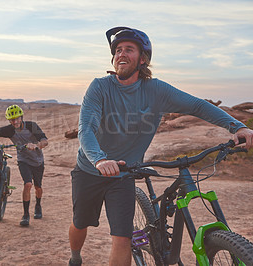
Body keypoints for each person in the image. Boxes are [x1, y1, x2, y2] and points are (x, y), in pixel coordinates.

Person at [68, 26, 253, 266]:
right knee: (80, 223)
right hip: (90, 169)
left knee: (123, 239)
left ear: (142, 59)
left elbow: (196, 105)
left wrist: (237, 126)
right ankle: (75, 257)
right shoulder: (100, 87)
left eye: (129, 50)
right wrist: (100, 159)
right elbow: (87, 128)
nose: (121, 54)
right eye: (118, 50)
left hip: (124, 173)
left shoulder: (156, 90)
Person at [0, 104, 48, 226]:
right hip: (24, 160)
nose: (15, 121)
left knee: (38, 187)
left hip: (37, 161)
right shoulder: (10, 129)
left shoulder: (32, 126)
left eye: (17, 118)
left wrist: (36, 145)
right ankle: (26, 214)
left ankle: (38, 205)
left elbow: (44, 141)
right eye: (12, 119)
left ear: (21, 117)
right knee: (28, 184)